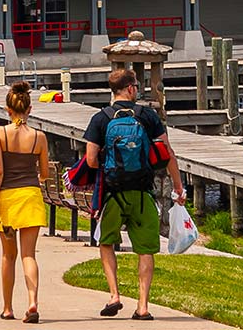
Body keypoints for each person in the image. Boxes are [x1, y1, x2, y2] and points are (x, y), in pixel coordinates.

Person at [84, 68, 185, 321]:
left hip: (112, 195)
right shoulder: (147, 116)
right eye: (136, 86)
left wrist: (110, 164)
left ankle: (115, 295)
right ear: (130, 88)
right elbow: (167, 153)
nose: (137, 90)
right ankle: (142, 306)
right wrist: (178, 186)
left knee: (106, 243)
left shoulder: (100, 119)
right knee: (145, 250)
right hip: (142, 193)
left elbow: (90, 159)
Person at [0, 80, 49, 323]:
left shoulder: (0, 133)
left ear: (7, 109)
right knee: (29, 255)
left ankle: (7, 307)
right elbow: (44, 173)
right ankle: (33, 302)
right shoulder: (39, 137)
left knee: (8, 256)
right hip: (31, 197)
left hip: (7, 200)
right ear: (30, 109)